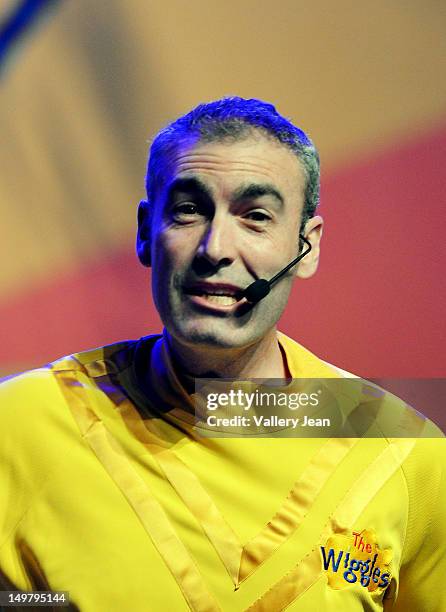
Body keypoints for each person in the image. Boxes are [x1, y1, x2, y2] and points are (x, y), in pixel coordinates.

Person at [0, 97, 445, 612]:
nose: (216, 248)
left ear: (307, 246)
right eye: (188, 210)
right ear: (147, 232)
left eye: (255, 217)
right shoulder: (24, 424)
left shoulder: (401, 456)